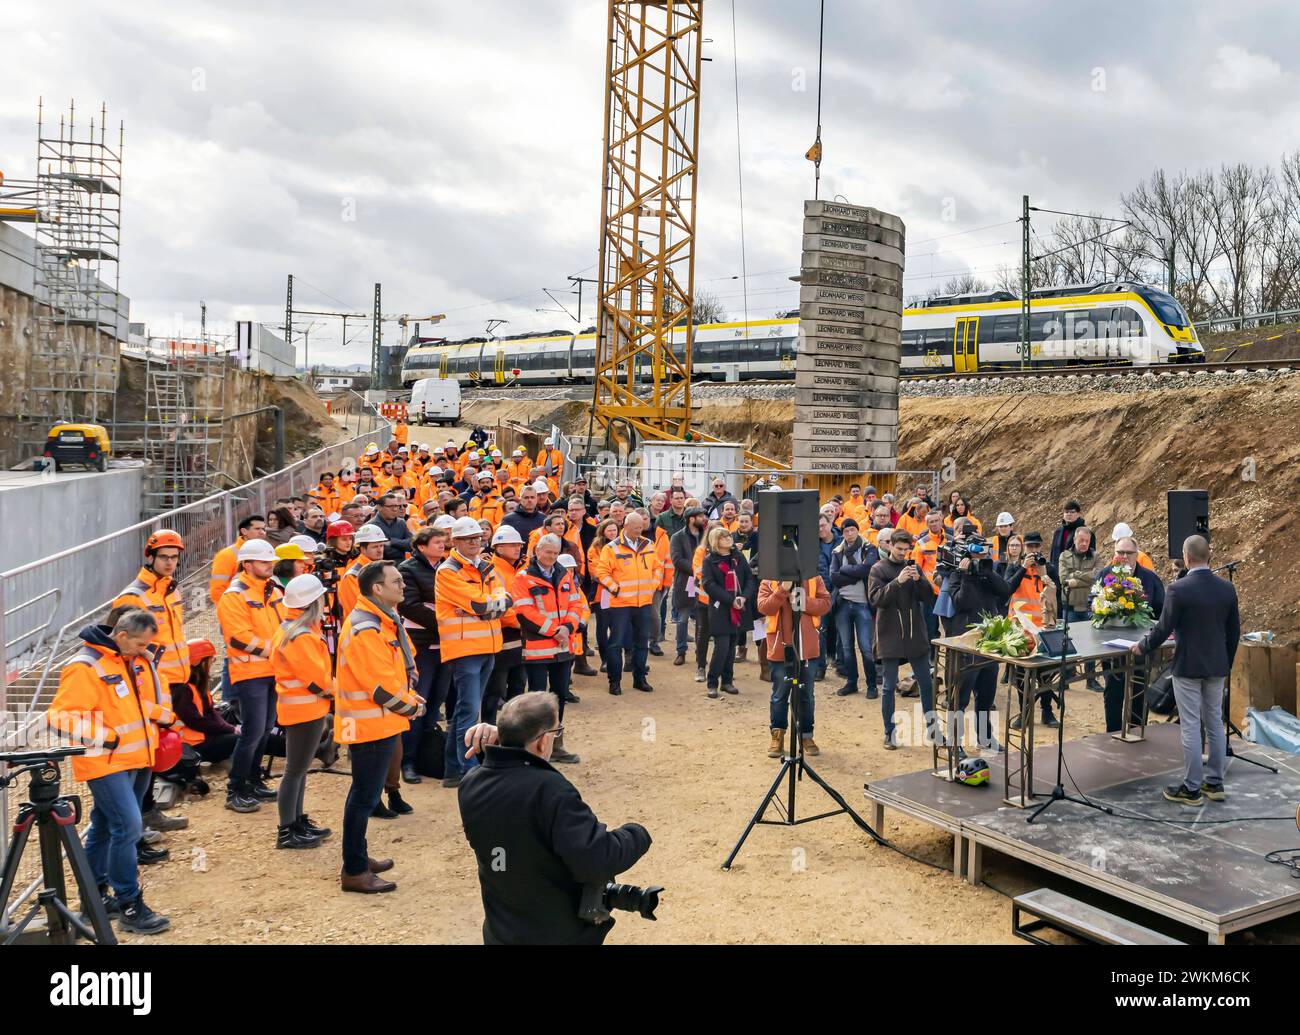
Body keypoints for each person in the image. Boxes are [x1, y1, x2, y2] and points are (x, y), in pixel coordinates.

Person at [457, 693, 652, 944]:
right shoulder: (550, 790)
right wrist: (636, 834)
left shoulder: (471, 784)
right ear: (543, 741)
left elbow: (506, 790)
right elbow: (596, 858)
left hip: (502, 931)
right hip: (554, 932)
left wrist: (504, 743)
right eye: (556, 731)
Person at [47, 607, 175, 933]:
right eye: (140, 644)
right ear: (121, 636)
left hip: (135, 759)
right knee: (129, 828)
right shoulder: (86, 666)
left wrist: (159, 717)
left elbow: (129, 706)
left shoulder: (127, 660)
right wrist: (108, 738)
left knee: (105, 827)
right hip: (106, 762)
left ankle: (95, 897)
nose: (145, 650)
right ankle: (129, 903)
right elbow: (61, 717)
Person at [335, 561, 425, 892]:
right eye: (397, 581)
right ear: (377, 589)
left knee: (363, 794)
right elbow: (379, 687)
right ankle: (355, 870)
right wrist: (412, 706)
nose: (403, 586)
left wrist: (411, 695)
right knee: (364, 797)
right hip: (369, 725)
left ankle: (356, 859)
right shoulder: (366, 628)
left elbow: (398, 668)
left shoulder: (379, 621)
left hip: (378, 722)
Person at [1132, 535, 1239, 807]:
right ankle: (1214, 782)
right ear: (1209, 556)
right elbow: (1233, 632)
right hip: (1217, 666)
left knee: (1190, 725)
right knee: (1214, 722)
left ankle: (1191, 788)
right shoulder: (1227, 589)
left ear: (1187, 558)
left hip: (1188, 665)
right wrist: (1226, 662)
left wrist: (1143, 646)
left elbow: (1164, 627)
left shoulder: (1179, 589)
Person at [436, 516, 512, 787]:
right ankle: (468, 770)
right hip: (464, 648)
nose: (474, 542)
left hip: (487, 646)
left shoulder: (488, 567)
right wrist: (485, 607)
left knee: (465, 710)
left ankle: (453, 770)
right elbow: (478, 603)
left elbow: (506, 599)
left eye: (478, 538)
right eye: (468, 539)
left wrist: (483, 607)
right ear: (454, 541)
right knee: (468, 710)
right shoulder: (448, 571)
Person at [217, 538, 286, 813]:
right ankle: (236, 788)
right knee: (253, 731)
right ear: (247, 564)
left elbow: (285, 624)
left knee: (265, 729)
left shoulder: (273, 590)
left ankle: (253, 779)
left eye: (270, 561)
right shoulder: (234, 595)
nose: (269, 565)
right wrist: (277, 650)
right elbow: (238, 637)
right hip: (250, 672)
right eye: (263, 561)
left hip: (272, 671)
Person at [270, 574, 335, 849]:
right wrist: (340, 690)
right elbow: (318, 681)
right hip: (304, 711)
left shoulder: (293, 628)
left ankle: (296, 822)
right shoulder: (301, 635)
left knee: (299, 769)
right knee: (295, 771)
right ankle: (287, 829)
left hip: (302, 709)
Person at [514, 533, 585, 762]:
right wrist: (556, 630)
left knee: (559, 696)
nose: (551, 557)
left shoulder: (564, 574)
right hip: (538, 649)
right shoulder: (523, 578)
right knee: (538, 699)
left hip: (563, 649)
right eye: (548, 552)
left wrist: (568, 627)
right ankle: (535, 746)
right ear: (537, 551)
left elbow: (576, 604)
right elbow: (525, 613)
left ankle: (555, 745)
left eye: (555, 553)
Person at [868, 530, 938, 750]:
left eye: (906, 549)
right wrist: (897, 582)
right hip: (889, 635)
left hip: (914, 634)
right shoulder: (878, 569)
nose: (902, 553)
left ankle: (933, 730)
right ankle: (889, 733)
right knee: (888, 687)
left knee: (926, 684)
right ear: (890, 546)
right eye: (899, 548)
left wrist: (919, 581)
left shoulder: (914, 568)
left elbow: (928, 598)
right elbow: (875, 599)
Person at [948, 533, 1015, 752]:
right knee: (960, 697)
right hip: (968, 642)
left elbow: (1005, 591)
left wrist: (987, 572)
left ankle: (985, 738)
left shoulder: (988, 570)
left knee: (986, 696)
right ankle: (954, 743)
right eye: (976, 551)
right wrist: (967, 575)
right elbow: (962, 604)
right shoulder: (956, 573)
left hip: (990, 641)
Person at [397, 526, 453, 783]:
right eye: (437, 542)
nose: (443, 545)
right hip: (422, 645)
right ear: (421, 546)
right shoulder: (408, 570)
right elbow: (409, 605)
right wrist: (445, 621)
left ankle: (426, 755)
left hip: (446, 645)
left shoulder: (447, 568)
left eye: (444, 541)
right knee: (418, 703)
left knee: (435, 704)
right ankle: (408, 761)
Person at [1097, 536, 1166, 734]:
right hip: (1110, 646)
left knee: (1139, 690)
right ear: (1114, 554)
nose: (1124, 557)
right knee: (1113, 691)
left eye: (1128, 553)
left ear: (1137, 555)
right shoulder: (1104, 575)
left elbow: (1161, 611)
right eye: (1120, 552)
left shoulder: (1150, 578)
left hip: (1141, 644)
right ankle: (1113, 732)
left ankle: (1137, 731)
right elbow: (1091, 606)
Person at [758, 574, 831, 758]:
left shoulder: (815, 578)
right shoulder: (769, 579)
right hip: (780, 650)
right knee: (780, 695)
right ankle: (777, 736)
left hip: (807, 650)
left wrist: (803, 602)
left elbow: (826, 604)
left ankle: (806, 736)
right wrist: (783, 589)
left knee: (806, 695)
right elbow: (763, 607)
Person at [594, 510, 661, 695]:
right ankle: (614, 682)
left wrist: (653, 586)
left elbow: (658, 568)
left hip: (644, 603)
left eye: (641, 527)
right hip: (620, 604)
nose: (639, 531)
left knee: (641, 643)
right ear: (626, 526)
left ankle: (640, 679)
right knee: (616, 644)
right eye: (636, 528)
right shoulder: (612, 548)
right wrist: (615, 589)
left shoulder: (649, 545)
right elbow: (602, 572)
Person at [481, 525, 530, 735]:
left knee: (518, 687)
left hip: (520, 635)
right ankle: (489, 734)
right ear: (498, 548)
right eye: (512, 544)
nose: (517, 548)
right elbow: (500, 604)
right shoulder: (492, 570)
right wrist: (521, 623)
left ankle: (513, 734)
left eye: (518, 544)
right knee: (494, 690)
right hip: (503, 636)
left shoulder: (519, 568)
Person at [700, 525, 755, 699]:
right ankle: (712, 682)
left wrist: (743, 598)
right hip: (721, 609)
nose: (728, 539)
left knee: (732, 646)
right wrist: (731, 600)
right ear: (716, 541)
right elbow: (709, 585)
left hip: (740, 607)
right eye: (724, 537)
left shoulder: (737, 557)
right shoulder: (709, 561)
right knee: (722, 647)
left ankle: (727, 681)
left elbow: (749, 579)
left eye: (728, 536)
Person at [829, 518, 880, 699]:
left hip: (863, 604)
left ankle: (871, 684)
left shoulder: (869, 548)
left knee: (866, 647)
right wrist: (854, 574)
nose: (849, 534)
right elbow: (833, 577)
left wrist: (845, 570)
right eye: (846, 531)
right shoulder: (837, 551)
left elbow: (868, 569)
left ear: (857, 531)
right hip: (843, 603)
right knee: (846, 647)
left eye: (852, 530)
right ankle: (851, 682)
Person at [1058, 525, 1102, 691]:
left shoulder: (1096, 556)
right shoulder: (1065, 555)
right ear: (1075, 539)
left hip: (1090, 608)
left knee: (1091, 645)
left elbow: (1098, 576)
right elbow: (1063, 579)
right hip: (1069, 607)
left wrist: (1075, 575)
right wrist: (1087, 577)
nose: (1084, 543)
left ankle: (1091, 679)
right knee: (1067, 643)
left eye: (1087, 540)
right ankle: (1066, 678)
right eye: (1081, 540)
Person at [209, 515, 267, 606]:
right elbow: (217, 588)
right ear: (244, 531)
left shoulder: (265, 552)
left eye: (263, 529)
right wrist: (229, 609)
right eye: (257, 529)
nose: (262, 532)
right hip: (237, 609)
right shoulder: (227, 555)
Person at [368, 492, 414, 563]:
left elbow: (412, 544)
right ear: (379, 507)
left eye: (396, 506)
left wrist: (392, 541)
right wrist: (402, 547)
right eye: (391, 506)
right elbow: (384, 552)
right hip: (381, 566)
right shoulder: (371, 526)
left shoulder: (401, 522)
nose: (395, 509)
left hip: (402, 565)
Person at [1048, 499, 1086, 583]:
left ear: (1079, 514)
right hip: (1057, 575)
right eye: (1066, 512)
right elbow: (1053, 554)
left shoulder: (1084, 532)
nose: (1069, 514)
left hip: (1076, 576)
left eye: (1072, 512)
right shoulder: (1058, 532)